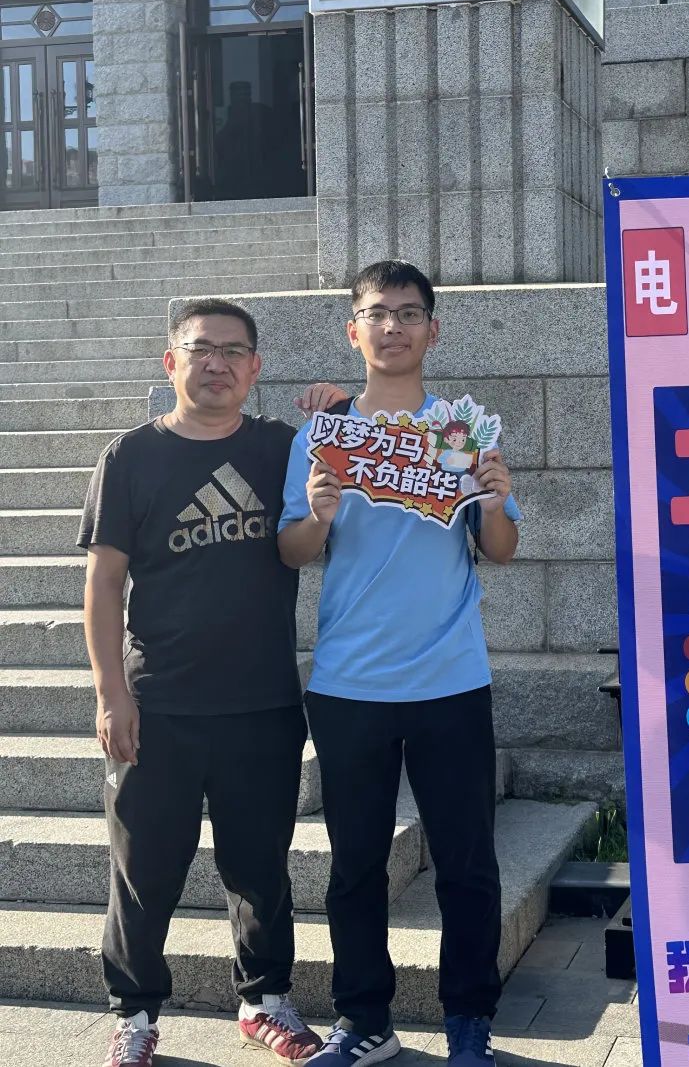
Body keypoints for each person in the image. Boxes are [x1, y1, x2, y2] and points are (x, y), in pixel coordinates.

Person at [79, 297, 346, 1067]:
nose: (217, 363)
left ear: (255, 368)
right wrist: (111, 694)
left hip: (261, 702)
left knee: (259, 865)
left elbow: (362, 452)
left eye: (233, 351)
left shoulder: (281, 448)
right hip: (157, 701)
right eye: (202, 349)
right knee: (143, 870)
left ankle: (265, 1001)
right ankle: (134, 1013)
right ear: (172, 362)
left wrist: (341, 408)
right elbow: (103, 585)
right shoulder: (130, 456)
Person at [277, 260, 520, 1067]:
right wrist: (317, 516)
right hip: (349, 683)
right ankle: (365, 1020)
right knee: (355, 866)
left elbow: (502, 547)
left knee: (468, 864)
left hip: (451, 679)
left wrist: (494, 497)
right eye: (378, 313)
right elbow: (292, 550)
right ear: (354, 330)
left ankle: (469, 1020)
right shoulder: (325, 434)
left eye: (410, 313)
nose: (393, 326)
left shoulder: (461, 433)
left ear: (433, 330)